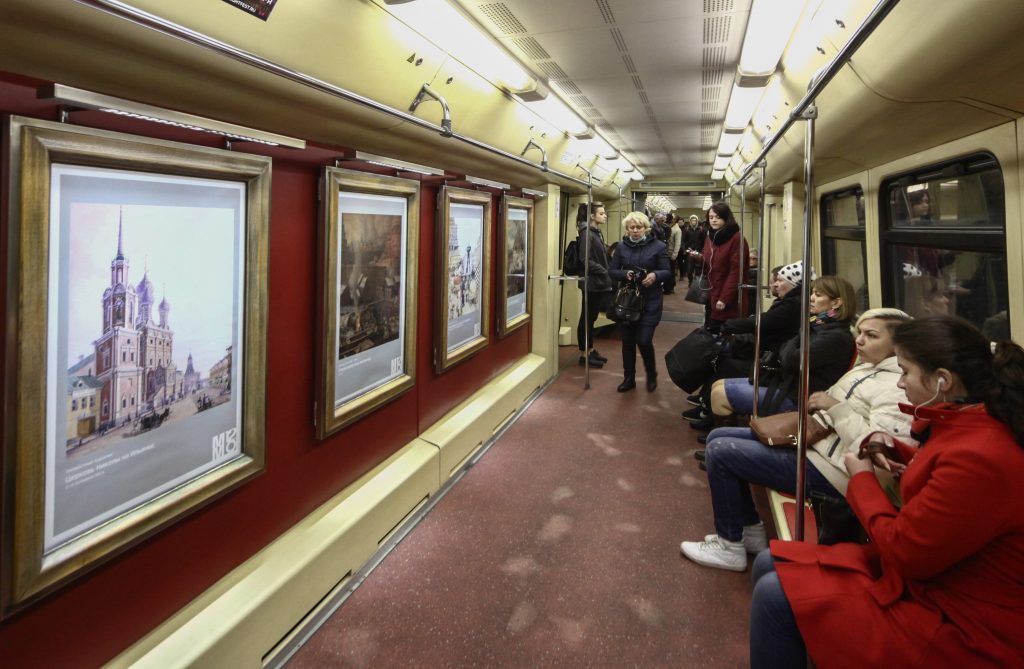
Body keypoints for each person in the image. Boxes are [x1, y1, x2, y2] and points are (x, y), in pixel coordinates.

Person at [750, 315, 1024, 668]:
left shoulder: (982, 455)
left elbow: (905, 551)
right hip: (937, 580)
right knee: (770, 561)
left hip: (964, 621)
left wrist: (862, 480)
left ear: (942, 380)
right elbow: (946, 476)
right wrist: (898, 450)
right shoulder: (973, 422)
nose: (900, 383)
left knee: (776, 596)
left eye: (906, 372)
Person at [680, 308, 912, 572]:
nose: (859, 340)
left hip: (834, 470)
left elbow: (877, 450)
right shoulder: (867, 369)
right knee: (719, 436)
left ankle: (729, 546)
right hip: (819, 446)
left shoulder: (896, 388)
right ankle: (749, 529)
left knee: (723, 452)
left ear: (898, 343)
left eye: (871, 335)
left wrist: (835, 407)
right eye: (859, 333)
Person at [707, 275, 858, 420]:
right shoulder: (819, 325)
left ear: (836, 303)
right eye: (812, 293)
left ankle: (730, 440)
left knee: (720, 395)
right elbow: (785, 349)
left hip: (798, 397)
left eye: (818, 295)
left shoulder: (835, 336)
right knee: (717, 385)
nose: (811, 298)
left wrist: (799, 333)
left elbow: (791, 359)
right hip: (787, 385)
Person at [682, 261, 810, 429]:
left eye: (780, 281)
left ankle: (710, 412)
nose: (775, 285)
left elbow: (764, 322)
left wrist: (730, 325)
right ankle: (706, 402)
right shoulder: (790, 303)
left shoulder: (792, 306)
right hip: (769, 354)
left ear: (793, 284)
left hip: (771, 362)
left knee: (724, 361)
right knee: (722, 354)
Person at [608, 212, 672, 392]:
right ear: (627, 229)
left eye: (638, 227)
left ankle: (651, 374)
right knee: (627, 341)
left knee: (644, 340)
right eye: (631, 228)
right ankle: (629, 378)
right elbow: (612, 271)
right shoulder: (621, 247)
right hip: (629, 301)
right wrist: (624, 274)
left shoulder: (658, 246)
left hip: (650, 300)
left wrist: (655, 275)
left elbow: (667, 272)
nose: (635, 231)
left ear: (645, 228)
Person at [682, 201, 748, 334]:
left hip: (728, 295)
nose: (713, 220)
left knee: (724, 334)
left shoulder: (737, 239)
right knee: (710, 332)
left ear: (726, 218)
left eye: (717, 217)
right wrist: (699, 258)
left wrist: (725, 297)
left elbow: (736, 272)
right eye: (711, 217)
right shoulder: (710, 237)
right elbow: (709, 262)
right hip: (712, 292)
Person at [576, 203, 613, 368]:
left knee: (592, 319)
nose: (605, 216)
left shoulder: (595, 233)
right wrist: (604, 271)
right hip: (592, 283)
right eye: (601, 213)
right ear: (592, 216)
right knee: (586, 319)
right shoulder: (587, 234)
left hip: (597, 282)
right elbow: (585, 260)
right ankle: (584, 354)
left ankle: (590, 349)